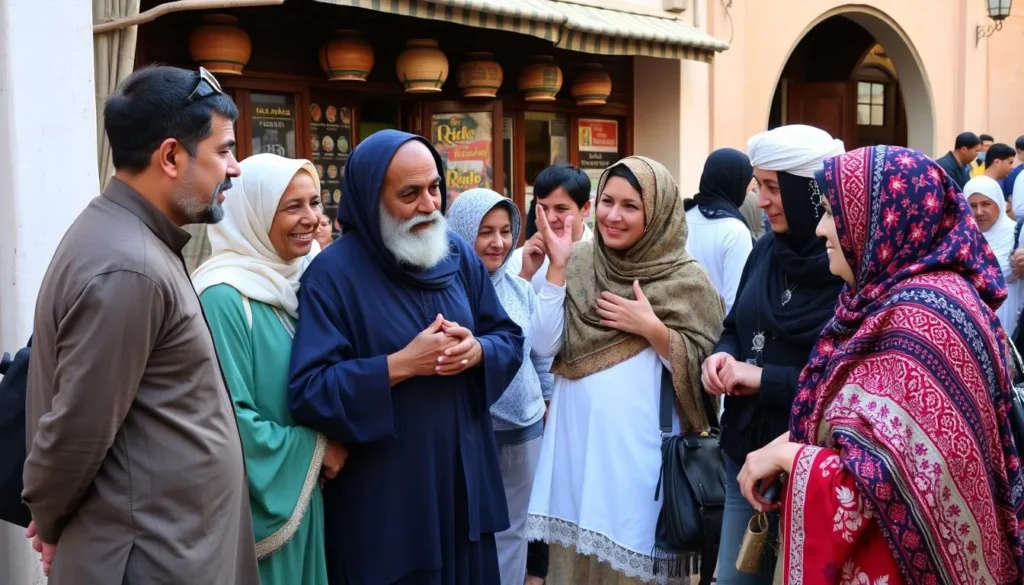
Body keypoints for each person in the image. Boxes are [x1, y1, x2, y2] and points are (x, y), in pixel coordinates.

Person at [739, 145, 1024, 585]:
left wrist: (788, 455)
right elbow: (870, 430)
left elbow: (894, 482)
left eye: (832, 213)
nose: (821, 229)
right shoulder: (888, 299)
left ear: (881, 221)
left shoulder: (922, 320)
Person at [21, 65, 259, 584]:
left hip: (167, 550)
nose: (234, 168)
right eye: (223, 151)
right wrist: (50, 519)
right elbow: (75, 431)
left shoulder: (133, 241)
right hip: (151, 559)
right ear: (171, 156)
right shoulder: (131, 266)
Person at [287, 130, 525, 585]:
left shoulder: (457, 254)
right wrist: (402, 365)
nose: (429, 205)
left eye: (435, 188)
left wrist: (478, 351)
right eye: (410, 194)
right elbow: (310, 389)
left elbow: (507, 336)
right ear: (371, 198)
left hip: (462, 483)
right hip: (388, 497)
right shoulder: (332, 275)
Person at [526, 156, 724, 584]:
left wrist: (653, 330)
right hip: (577, 447)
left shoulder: (686, 280)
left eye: (630, 206)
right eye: (607, 202)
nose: (613, 216)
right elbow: (543, 344)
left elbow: (707, 368)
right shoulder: (579, 261)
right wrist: (556, 267)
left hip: (639, 454)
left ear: (658, 213)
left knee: (633, 555)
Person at [191, 153, 346, 585]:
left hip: (303, 497)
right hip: (260, 507)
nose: (311, 218)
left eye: (314, 202)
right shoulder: (223, 297)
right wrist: (318, 448)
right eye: (292, 206)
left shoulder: (304, 281)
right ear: (253, 213)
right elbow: (228, 421)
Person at [701, 124, 845, 585]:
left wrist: (763, 378)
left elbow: (844, 382)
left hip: (812, 464)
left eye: (773, 187)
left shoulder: (845, 268)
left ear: (808, 193)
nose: (760, 200)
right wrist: (722, 358)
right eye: (757, 185)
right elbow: (734, 328)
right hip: (745, 453)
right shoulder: (764, 251)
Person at [446, 188, 553, 585]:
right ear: (460, 232)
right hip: (475, 432)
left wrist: (546, 399)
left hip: (526, 431)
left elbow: (539, 354)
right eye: (485, 231)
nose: (499, 242)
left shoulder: (519, 287)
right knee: (468, 532)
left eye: (506, 231)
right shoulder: (448, 293)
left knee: (515, 530)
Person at [684, 148, 755, 313]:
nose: (749, 189)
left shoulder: (682, 217)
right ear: (735, 182)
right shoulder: (735, 231)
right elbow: (734, 302)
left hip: (674, 323)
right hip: (715, 327)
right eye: (747, 182)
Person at [506, 164, 593, 293]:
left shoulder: (603, 258)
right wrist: (525, 276)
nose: (550, 218)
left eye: (561, 209)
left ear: (585, 208)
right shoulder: (519, 261)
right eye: (543, 208)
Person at [965, 175, 1023, 335]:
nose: (979, 212)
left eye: (986, 204)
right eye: (972, 205)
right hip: (972, 321)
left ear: (999, 204)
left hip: (1010, 319)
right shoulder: (961, 239)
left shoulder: (1017, 236)